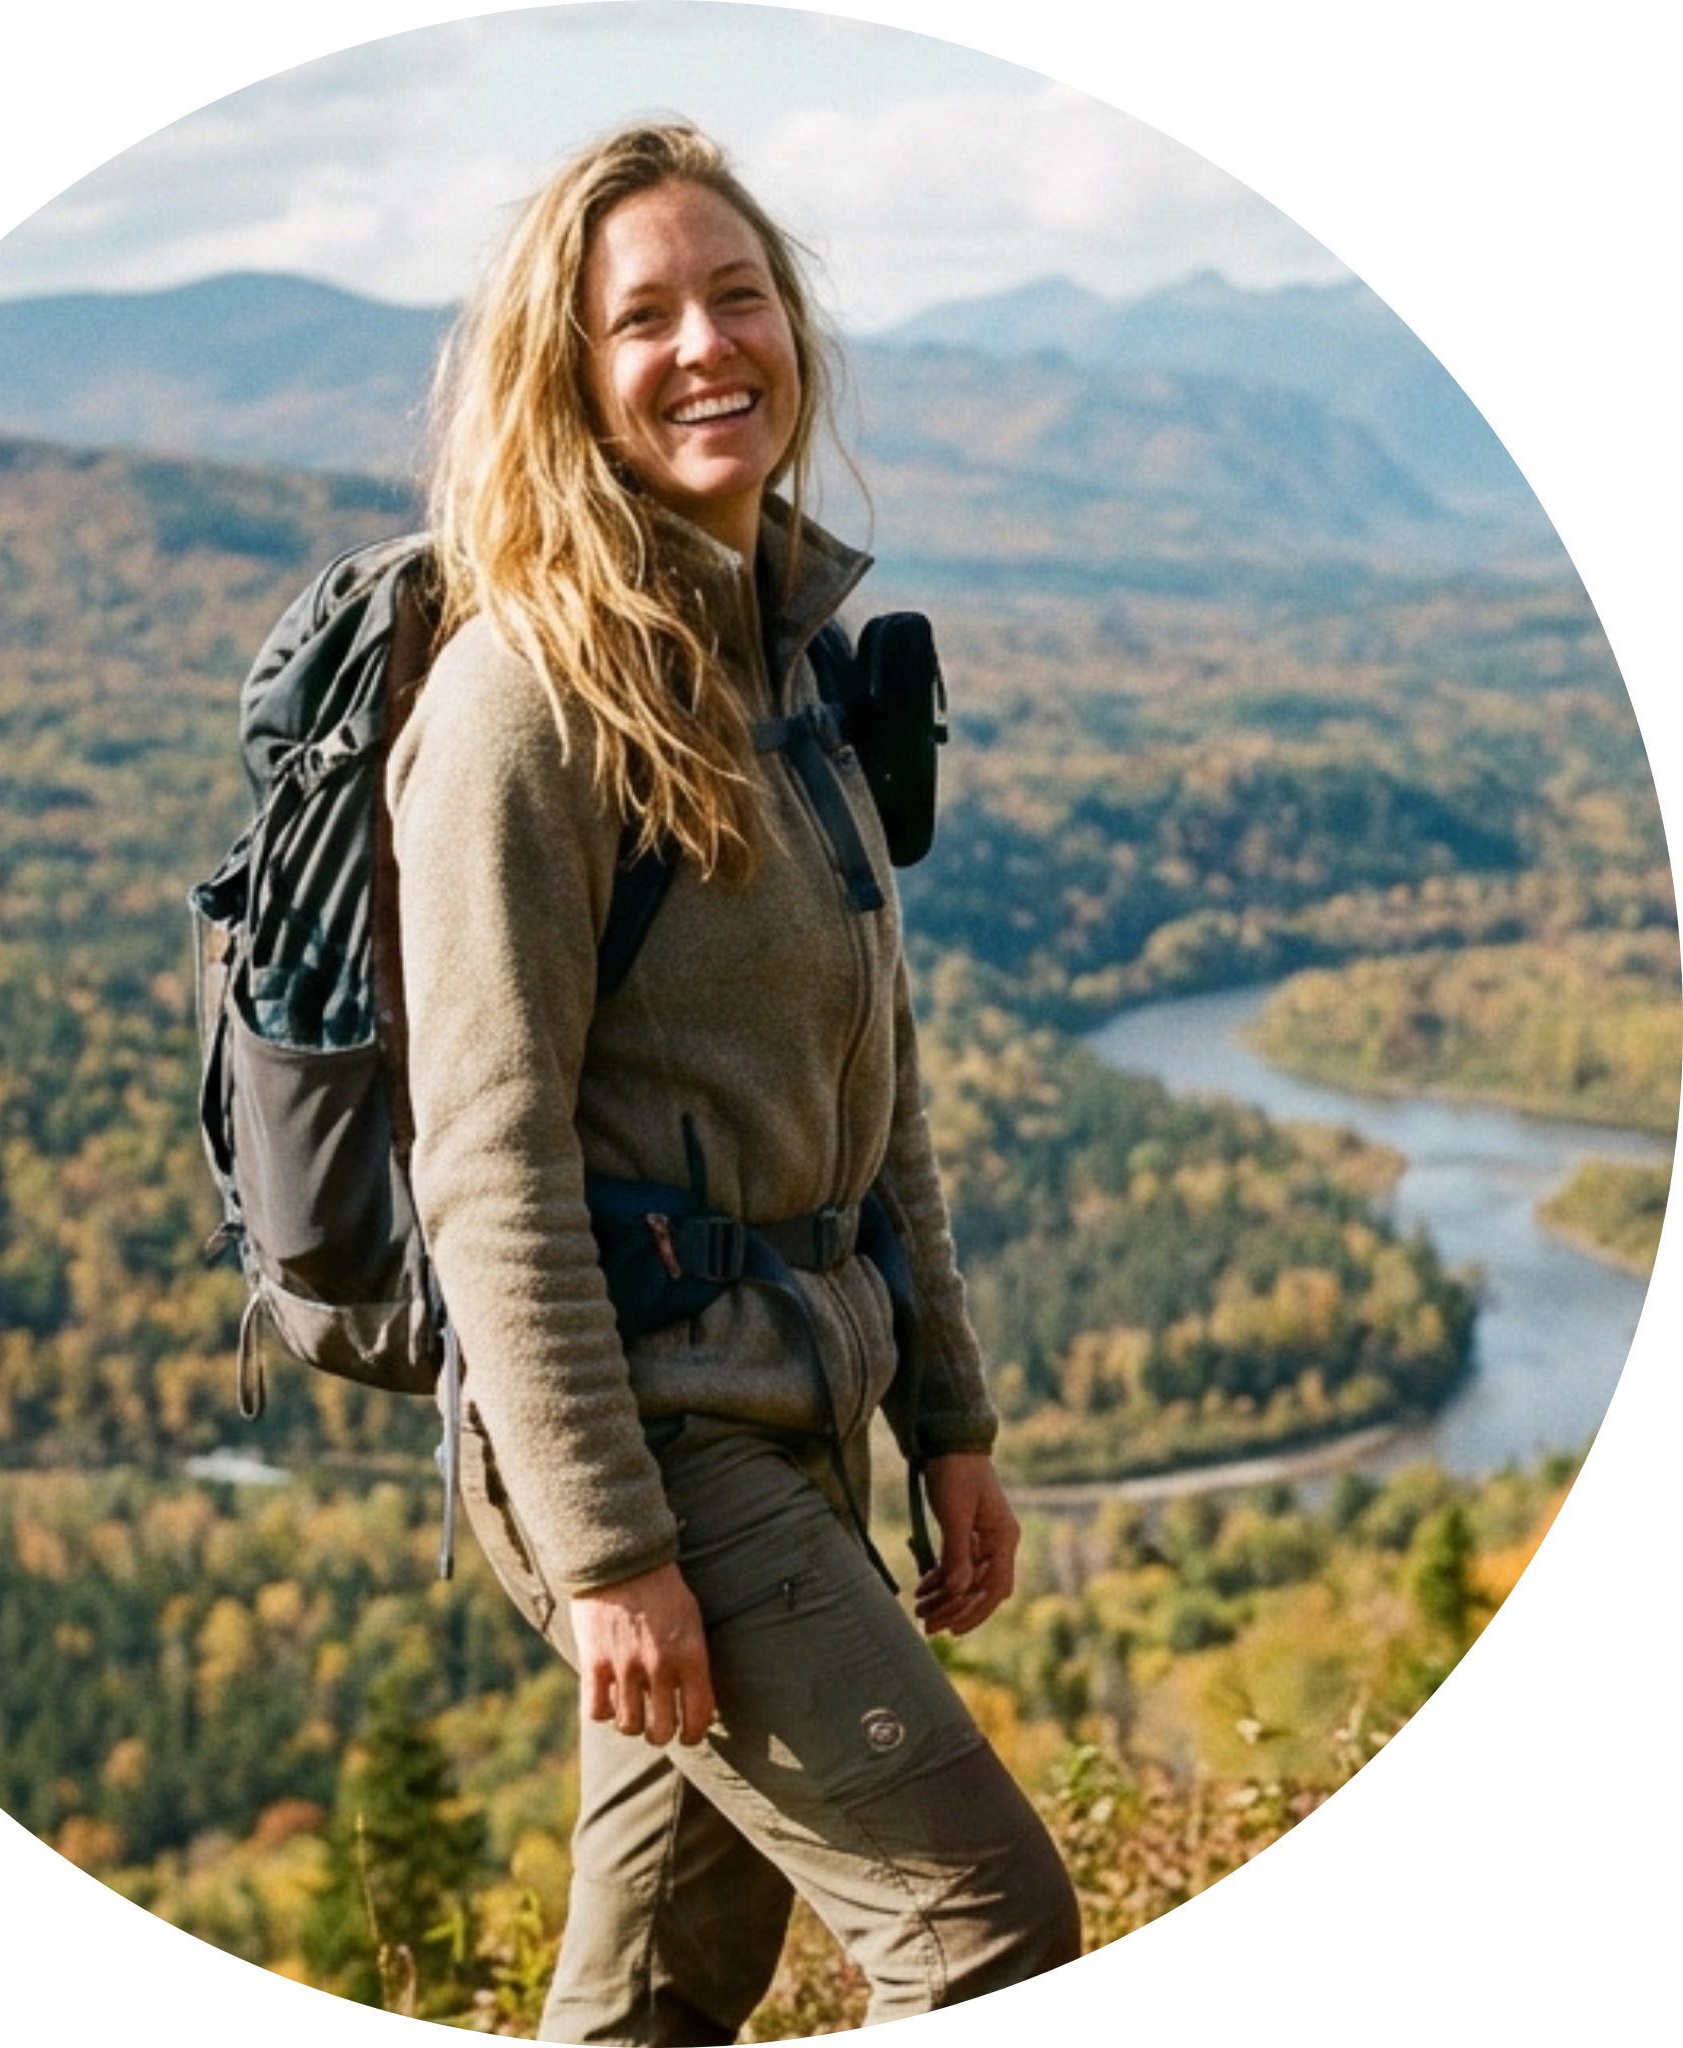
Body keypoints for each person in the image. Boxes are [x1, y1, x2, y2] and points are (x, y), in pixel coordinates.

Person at [386, 121, 1080, 2040]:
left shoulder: (784, 655)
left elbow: (882, 1089)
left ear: (797, 333)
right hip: (653, 1441)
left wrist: (949, 1409)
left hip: (800, 1405)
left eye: (740, 294)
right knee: (986, 1925)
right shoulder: (526, 699)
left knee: (666, 1989)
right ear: (570, 373)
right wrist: (612, 1555)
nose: (708, 344)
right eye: (643, 317)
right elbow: (490, 1165)